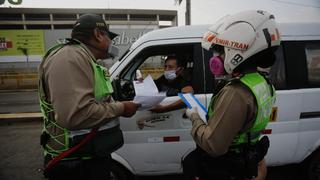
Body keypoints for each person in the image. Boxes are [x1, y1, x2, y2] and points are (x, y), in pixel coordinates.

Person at [38, 14, 140, 180]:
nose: (112, 43)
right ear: (98, 34)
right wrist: (122, 108)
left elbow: (98, 100)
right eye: (109, 37)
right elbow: (77, 115)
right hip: (75, 163)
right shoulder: (69, 57)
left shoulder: (88, 60)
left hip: (89, 154)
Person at [183, 10, 281, 180]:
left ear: (238, 51)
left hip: (227, 168)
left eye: (221, 51)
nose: (216, 58)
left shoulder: (236, 93)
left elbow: (213, 145)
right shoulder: (261, 81)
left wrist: (194, 116)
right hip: (246, 159)